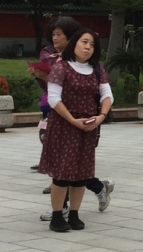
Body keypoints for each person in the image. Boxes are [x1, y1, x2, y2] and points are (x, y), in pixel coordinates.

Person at [33, 16, 114, 215]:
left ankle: (72, 209)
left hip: (87, 122)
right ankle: (60, 210)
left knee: (77, 167)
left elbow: (106, 94)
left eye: (59, 34)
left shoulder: (95, 68)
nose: (55, 38)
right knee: (63, 167)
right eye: (53, 34)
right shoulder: (56, 61)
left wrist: (100, 116)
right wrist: (41, 77)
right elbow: (53, 94)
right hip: (62, 121)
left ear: (71, 37)